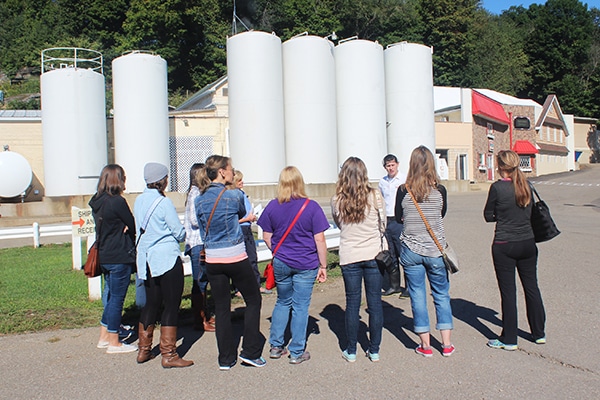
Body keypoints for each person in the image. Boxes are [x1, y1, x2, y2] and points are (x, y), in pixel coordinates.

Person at [195, 155, 265, 370]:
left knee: (222, 307)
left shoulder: (199, 199)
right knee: (253, 299)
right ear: (223, 172)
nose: (233, 173)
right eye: (231, 169)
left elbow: (200, 225)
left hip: (213, 258)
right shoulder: (233, 195)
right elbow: (243, 213)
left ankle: (225, 358)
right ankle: (250, 352)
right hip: (234, 253)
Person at [257, 166, 329, 365]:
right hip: (306, 262)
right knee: (300, 306)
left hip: (281, 260)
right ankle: (296, 351)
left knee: (282, 301)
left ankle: (275, 345)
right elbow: (320, 239)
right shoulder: (311, 206)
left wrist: (278, 252)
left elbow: (266, 236)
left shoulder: (272, 206)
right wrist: (323, 265)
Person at [395, 146, 454, 357]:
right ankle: (446, 344)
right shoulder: (440, 190)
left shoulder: (403, 190)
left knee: (417, 295)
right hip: (435, 249)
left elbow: (397, 215)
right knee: (441, 294)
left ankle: (425, 345)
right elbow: (442, 214)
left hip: (411, 249)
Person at [484, 150, 546, 350]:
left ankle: (509, 338)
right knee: (531, 287)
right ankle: (538, 333)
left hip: (505, 244)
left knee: (508, 292)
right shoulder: (526, 184)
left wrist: (500, 215)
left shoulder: (497, 188)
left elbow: (488, 215)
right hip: (528, 242)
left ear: (500, 166)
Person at [134, 162, 193, 368]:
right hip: (166, 257)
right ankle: (169, 354)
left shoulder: (138, 201)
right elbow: (177, 231)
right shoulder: (163, 202)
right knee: (171, 304)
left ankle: (144, 350)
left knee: (151, 303)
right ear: (163, 179)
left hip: (146, 259)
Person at [331, 157, 385, 363]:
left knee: (352, 303)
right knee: (375, 302)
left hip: (350, 254)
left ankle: (351, 349)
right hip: (373, 253)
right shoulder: (375, 195)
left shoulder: (337, 199)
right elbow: (383, 224)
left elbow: (339, 224)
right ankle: (374, 349)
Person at [89, 164, 138, 354]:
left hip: (104, 253)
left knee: (110, 296)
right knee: (117, 299)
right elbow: (131, 224)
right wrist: (126, 229)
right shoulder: (117, 201)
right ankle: (114, 342)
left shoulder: (98, 200)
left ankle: (104, 336)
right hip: (119, 254)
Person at [228, 170, 271, 295]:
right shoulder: (233, 196)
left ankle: (255, 285)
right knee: (239, 259)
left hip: (247, 228)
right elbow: (233, 219)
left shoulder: (242, 194)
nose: (242, 182)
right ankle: (239, 288)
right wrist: (247, 218)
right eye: (239, 180)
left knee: (252, 257)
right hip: (240, 228)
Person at [184, 163, 215, 332]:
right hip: (197, 243)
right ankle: (199, 319)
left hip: (200, 243)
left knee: (203, 280)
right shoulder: (195, 194)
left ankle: (205, 315)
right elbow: (194, 219)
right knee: (199, 282)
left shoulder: (197, 193)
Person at [378, 154, 407, 297]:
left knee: (403, 253)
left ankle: (409, 287)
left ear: (397, 164)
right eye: (388, 166)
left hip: (399, 220)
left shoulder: (404, 180)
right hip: (387, 219)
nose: (390, 168)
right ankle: (394, 285)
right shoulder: (382, 182)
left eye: (392, 165)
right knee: (391, 254)